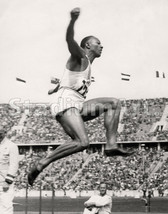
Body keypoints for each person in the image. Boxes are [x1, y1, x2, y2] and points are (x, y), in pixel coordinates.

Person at [28, 7, 133, 186]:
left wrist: (57, 86)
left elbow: (69, 80)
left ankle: (111, 145)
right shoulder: (80, 57)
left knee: (114, 103)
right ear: (87, 45)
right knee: (83, 142)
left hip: (76, 102)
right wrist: (72, 20)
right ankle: (42, 163)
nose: (101, 46)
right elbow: (69, 40)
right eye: (97, 43)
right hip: (65, 102)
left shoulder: (88, 67)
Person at [0, 127, 19, 214]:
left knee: (5, 208)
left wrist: (7, 182)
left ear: (4, 133)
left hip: (4, 183)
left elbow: (14, 165)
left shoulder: (11, 146)